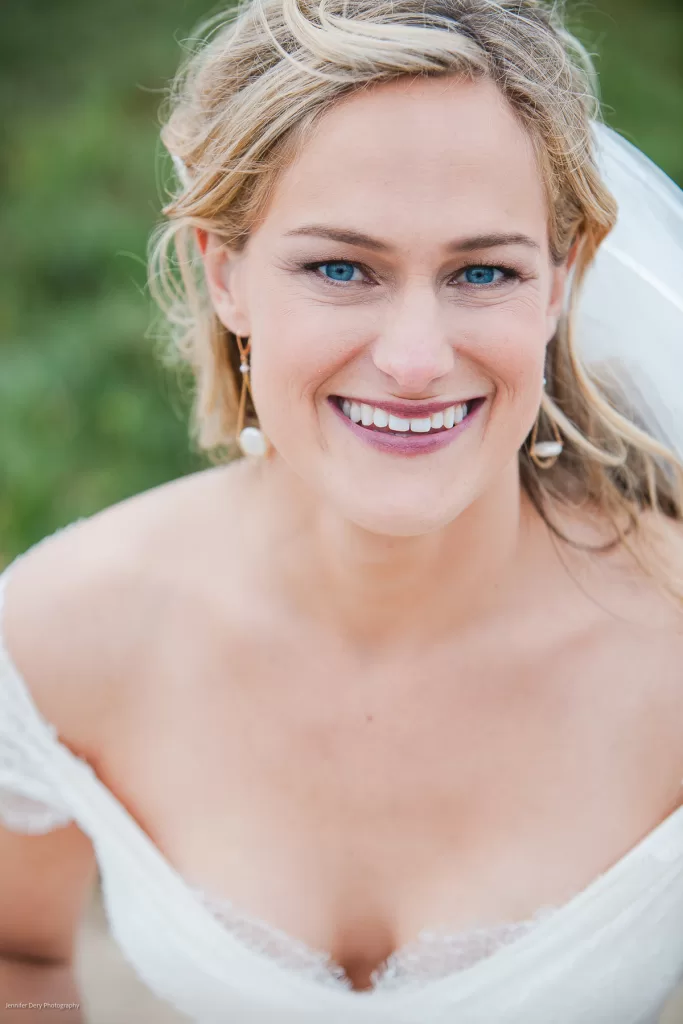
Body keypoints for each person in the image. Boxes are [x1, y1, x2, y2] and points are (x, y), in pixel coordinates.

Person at [1, 0, 683, 1020]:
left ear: (558, 282)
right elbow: (18, 956)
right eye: (340, 268)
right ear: (222, 272)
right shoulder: (57, 632)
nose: (413, 360)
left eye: (482, 271)